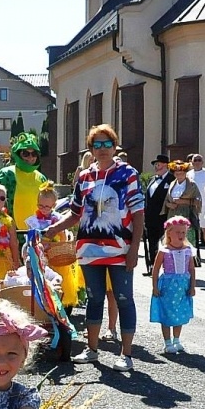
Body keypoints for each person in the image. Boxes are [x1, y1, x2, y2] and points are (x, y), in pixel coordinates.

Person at [50, 124, 142, 372]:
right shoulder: (84, 176)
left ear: (115, 146)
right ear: (91, 149)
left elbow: (138, 213)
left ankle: (126, 354)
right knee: (93, 299)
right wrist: (52, 229)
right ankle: (91, 350)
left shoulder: (127, 174)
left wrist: (134, 248)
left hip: (120, 249)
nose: (103, 149)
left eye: (107, 144)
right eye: (97, 145)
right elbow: (75, 213)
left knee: (124, 299)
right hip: (89, 250)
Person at [27, 183, 81, 306]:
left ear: (54, 205)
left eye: (47, 206)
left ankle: (61, 308)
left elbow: (64, 237)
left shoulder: (59, 219)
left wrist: (57, 237)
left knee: (59, 284)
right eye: (40, 205)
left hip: (57, 255)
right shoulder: (33, 220)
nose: (44, 208)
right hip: (41, 255)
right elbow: (30, 239)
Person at [150, 215, 197, 354]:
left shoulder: (188, 250)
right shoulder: (164, 251)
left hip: (183, 287)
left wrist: (192, 286)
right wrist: (154, 286)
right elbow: (156, 269)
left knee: (180, 312)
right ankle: (167, 342)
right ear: (169, 233)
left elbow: (191, 269)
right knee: (166, 312)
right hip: (168, 287)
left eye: (183, 232)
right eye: (177, 232)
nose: (181, 235)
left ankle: (177, 339)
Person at [0, 133, 52, 231]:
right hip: (10, 232)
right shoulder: (7, 174)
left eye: (34, 154)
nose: (30, 157)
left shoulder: (42, 178)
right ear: (18, 154)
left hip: (35, 233)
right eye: (26, 153)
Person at [143, 153, 174, 270]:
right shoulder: (152, 180)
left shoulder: (172, 179)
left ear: (166, 165)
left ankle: (167, 266)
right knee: (151, 241)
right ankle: (152, 265)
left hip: (164, 216)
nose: (156, 167)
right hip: (151, 217)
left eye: (158, 164)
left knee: (166, 242)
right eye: (155, 165)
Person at [165, 158, 202, 243]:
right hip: (172, 214)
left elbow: (198, 201)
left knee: (186, 239)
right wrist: (170, 205)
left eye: (181, 173)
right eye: (177, 173)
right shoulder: (172, 184)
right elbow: (166, 201)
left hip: (187, 213)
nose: (179, 175)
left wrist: (184, 201)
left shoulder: (192, 185)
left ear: (185, 173)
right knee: (172, 238)